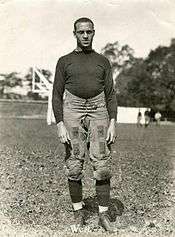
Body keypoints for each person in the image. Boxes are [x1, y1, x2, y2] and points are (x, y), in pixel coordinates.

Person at [52, 17, 117, 233]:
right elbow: (56, 94)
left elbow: (110, 94)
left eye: (89, 32)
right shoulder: (64, 61)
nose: (86, 36)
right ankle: (78, 214)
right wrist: (60, 123)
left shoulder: (103, 61)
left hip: (99, 110)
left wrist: (113, 122)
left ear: (94, 32)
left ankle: (103, 215)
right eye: (81, 32)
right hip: (72, 109)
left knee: (102, 163)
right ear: (75, 34)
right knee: (74, 163)